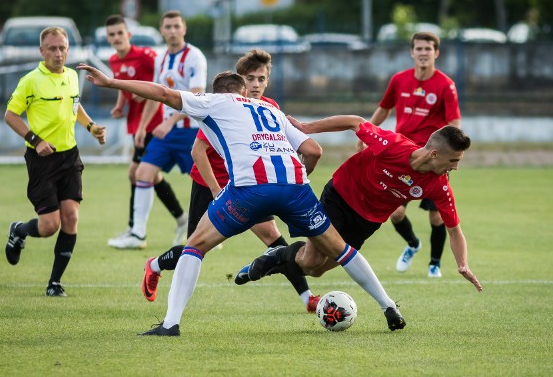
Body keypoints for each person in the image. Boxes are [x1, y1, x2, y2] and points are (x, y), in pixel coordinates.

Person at [77, 63, 407, 335]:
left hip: (249, 190)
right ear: (244, 90)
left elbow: (162, 93)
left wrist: (110, 82)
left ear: (217, 93)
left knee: (195, 245)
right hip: (295, 187)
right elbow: (312, 150)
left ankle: (171, 323)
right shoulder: (270, 109)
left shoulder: (213, 102)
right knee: (342, 249)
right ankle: (388, 305)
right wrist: (298, 182)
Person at [140, 49, 320, 313]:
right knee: (196, 248)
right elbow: (197, 152)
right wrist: (215, 190)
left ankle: (307, 298)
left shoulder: (271, 108)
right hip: (210, 182)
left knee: (274, 239)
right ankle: (155, 265)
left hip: (251, 185)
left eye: (261, 78)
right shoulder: (221, 104)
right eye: (250, 78)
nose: (256, 84)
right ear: (240, 81)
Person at [238, 115, 481, 300]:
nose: (456, 167)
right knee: (311, 261)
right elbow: (356, 122)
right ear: (435, 154)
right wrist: (306, 128)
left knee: (316, 270)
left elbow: (454, 230)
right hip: (341, 198)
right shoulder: (393, 145)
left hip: (367, 220)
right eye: (454, 161)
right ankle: (279, 255)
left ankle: (277, 258)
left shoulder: (439, 186)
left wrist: (463, 264)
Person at [4, 26, 106, 297]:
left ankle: (54, 283)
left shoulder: (73, 76)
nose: (58, 53)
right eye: (52, 48)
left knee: (71, 218)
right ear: (42, 51)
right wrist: (36, 140)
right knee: (50, 226)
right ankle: (19, 230)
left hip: (69, 156)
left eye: (62, 48)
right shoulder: (31, 81)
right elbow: (11, 116)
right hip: (42, 160)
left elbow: (74, 107)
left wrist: (91, 127)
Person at [362, 31, 461, 278]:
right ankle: (413, 244)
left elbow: (454, 122)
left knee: (437, 215)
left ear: (436, 53)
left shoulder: (445, 84)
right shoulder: (399, 80)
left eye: (428, 49)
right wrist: (365, 135)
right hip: (403, 158)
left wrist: (453, 153)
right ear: (412, 52)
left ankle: (434, 264)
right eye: (419, 49)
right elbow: (383, 110)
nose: (423, 53)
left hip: (433, 160)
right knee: (395, 213)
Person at [109, 10, 207, 249]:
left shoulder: (195, 56)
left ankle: (205, 231)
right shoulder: (161, 59)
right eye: (168, 27)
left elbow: (196, 95)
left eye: (176, 26)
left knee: (204, 181)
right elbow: (155, 95)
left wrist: (170, 121)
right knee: (142, 173)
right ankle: (138, 235)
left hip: (190, 131)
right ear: (161, 30)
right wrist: (143, 126)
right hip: (166, 133)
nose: (172, 31)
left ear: (184, 29)